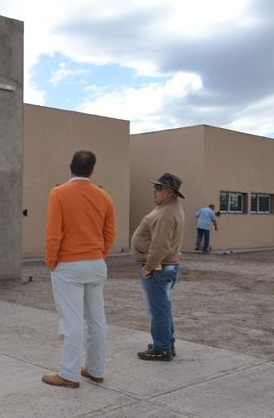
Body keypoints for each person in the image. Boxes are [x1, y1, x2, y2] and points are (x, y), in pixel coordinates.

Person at [42, 150, 116, 388]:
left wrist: (51, 261)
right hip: (96, 263)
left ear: (70, 166)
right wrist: (99, 254)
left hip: (69, 265)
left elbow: (54, 232)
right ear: (92, 170)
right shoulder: (104, 197)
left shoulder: (59, 193)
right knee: (97, 320)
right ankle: (95, 369)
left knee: (71, 320)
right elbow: (109, 233)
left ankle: (69, 374)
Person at [131, 173, 185, 361]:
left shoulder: (166, 213)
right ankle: (166, 343)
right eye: (155, 187)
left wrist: (149, 267)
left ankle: (162, 349)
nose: (154, 191)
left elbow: (160, 245)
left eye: (159, 188)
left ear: (170, 192)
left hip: (159, 269)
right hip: (165, 267)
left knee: (159, 310)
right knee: (163, 308)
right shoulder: (170, 208)